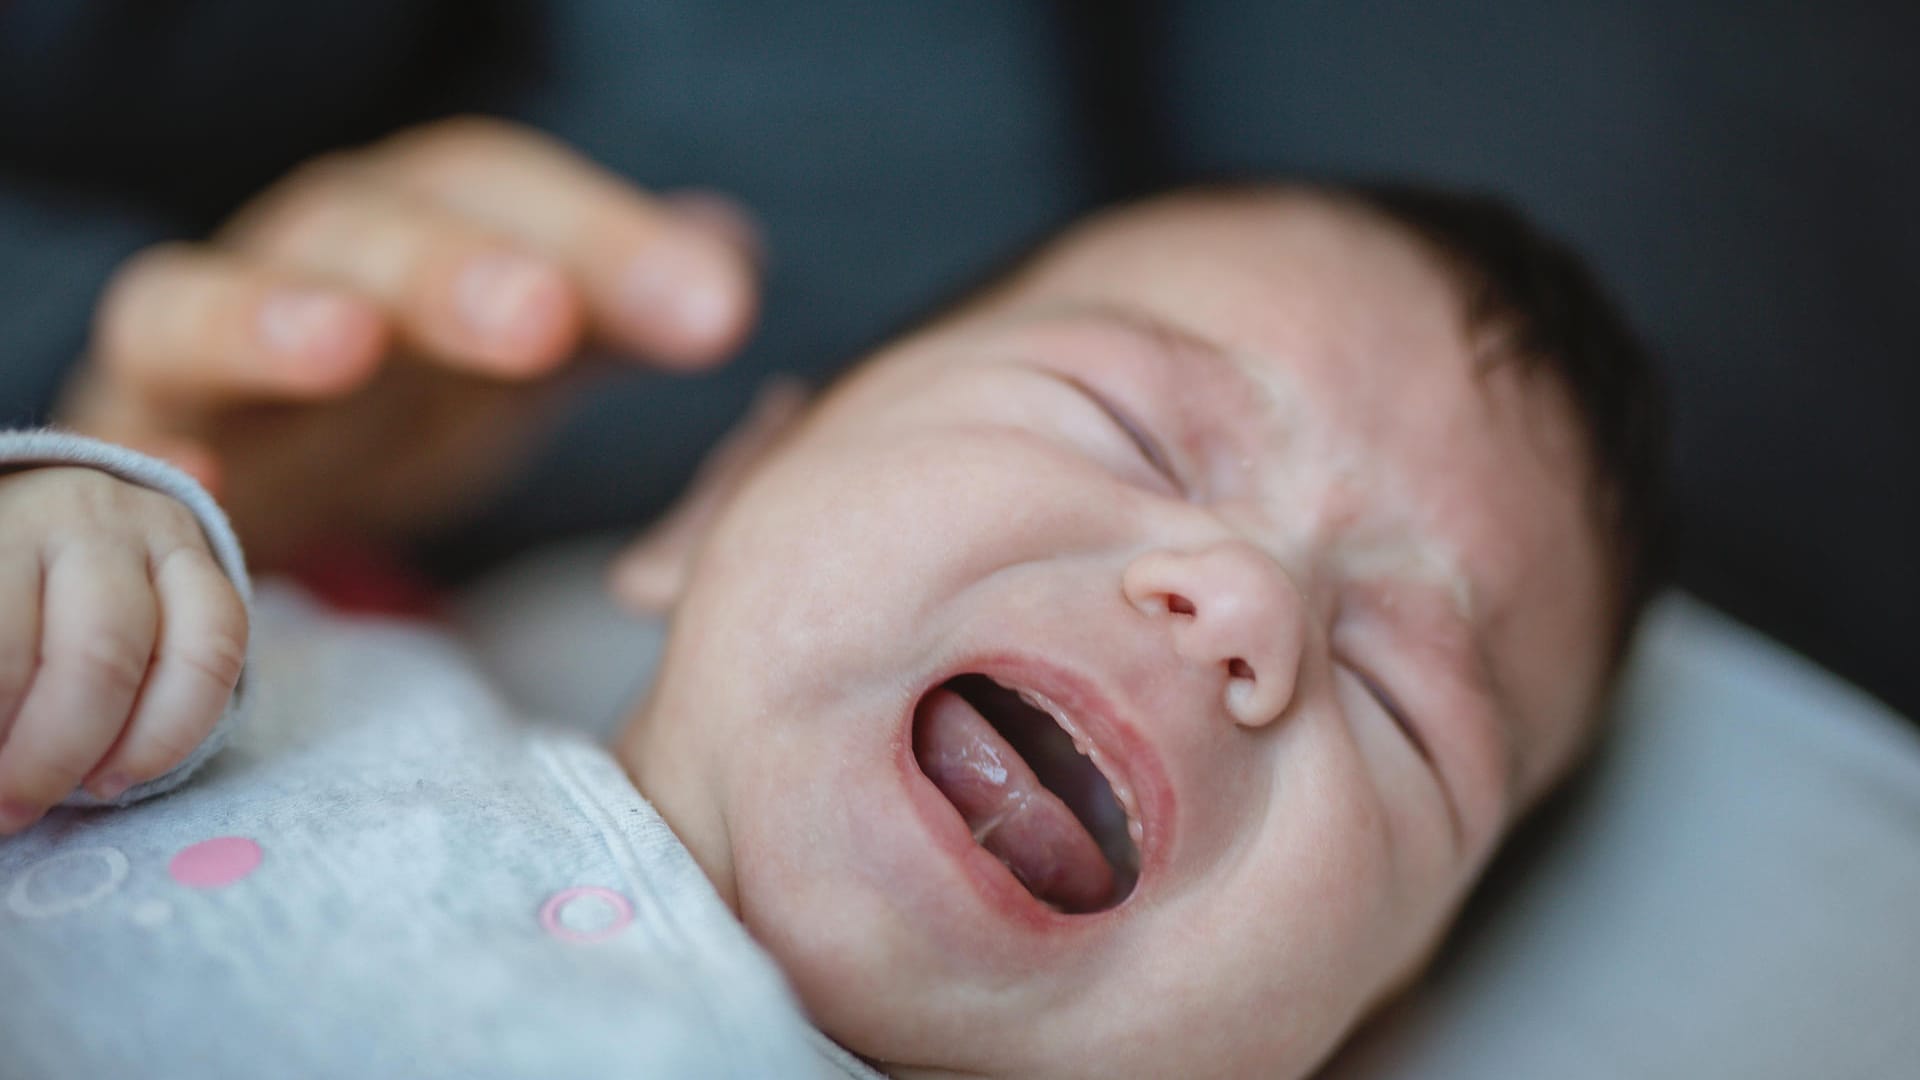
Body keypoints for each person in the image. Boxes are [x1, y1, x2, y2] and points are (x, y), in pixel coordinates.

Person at [0, 179, 1663, 1078]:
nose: (1246, 609)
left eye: (1398, 703)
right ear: (729, 492)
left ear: (1350, 1038)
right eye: (1130, 428)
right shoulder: (247, 646)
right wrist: (55, 546)